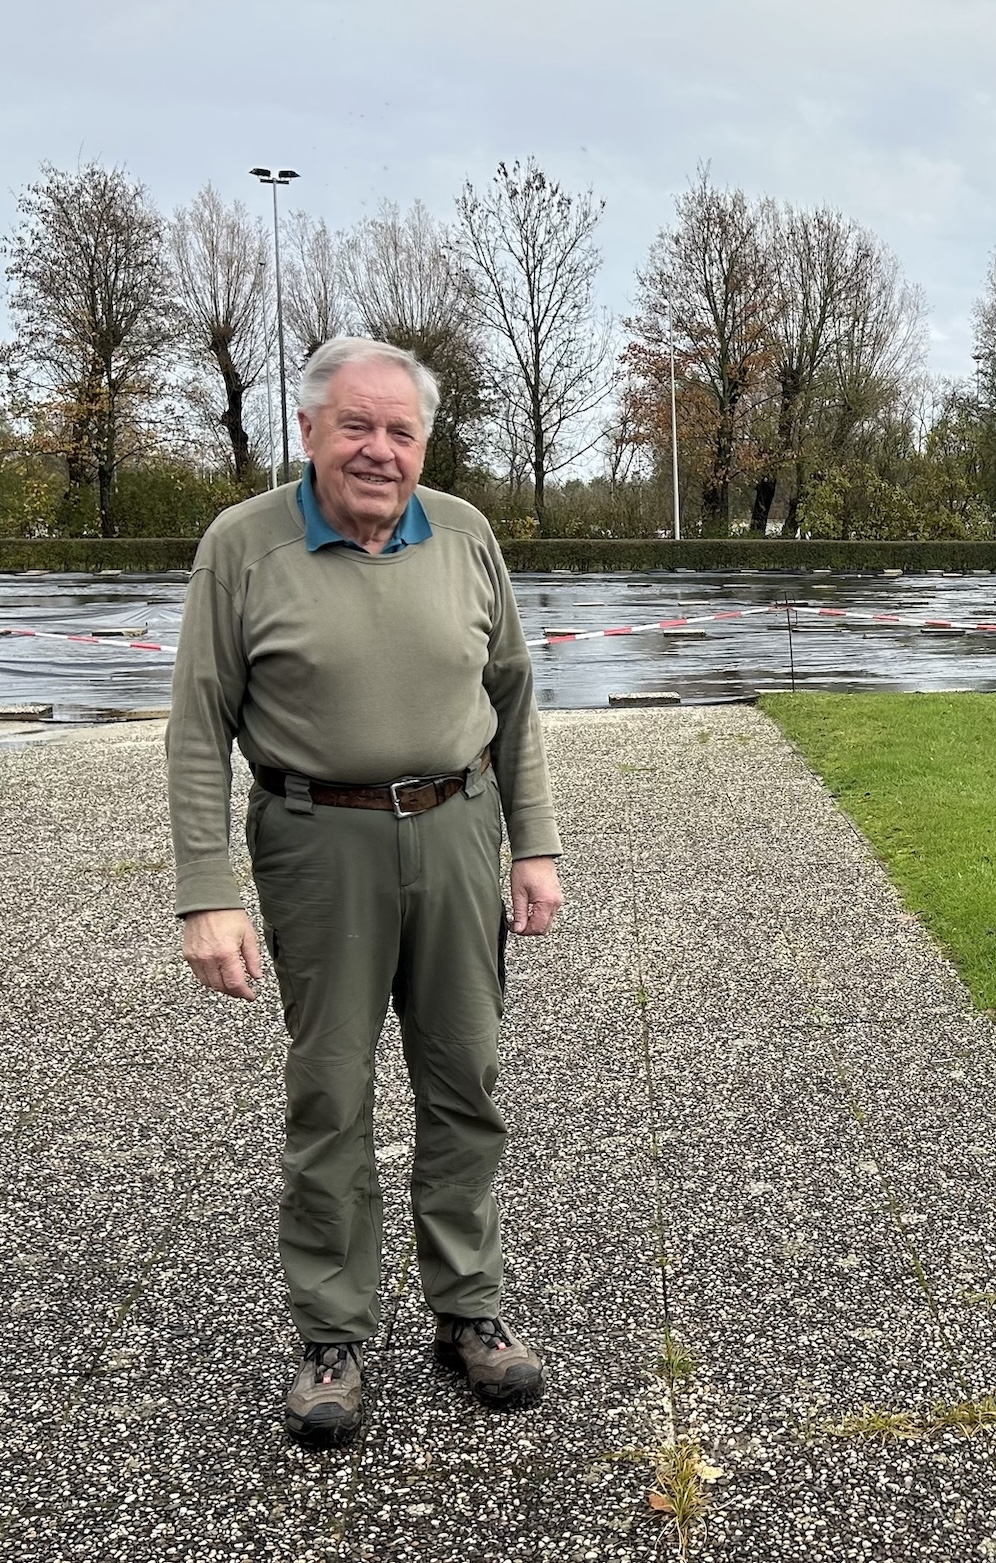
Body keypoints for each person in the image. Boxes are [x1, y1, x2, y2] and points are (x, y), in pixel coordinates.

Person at [166, 336, 565, 1448]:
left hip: (458, 829)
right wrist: (208, 891)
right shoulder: (244, 547)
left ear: (423, 442)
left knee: (466, 1080)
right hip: (316, 842)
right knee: (330, 1094)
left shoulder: (467, 535)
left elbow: (516, 699)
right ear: (309, 431)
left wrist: (534, 845)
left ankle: (469, 1310)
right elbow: (199, 726)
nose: (379, 450)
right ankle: (334, 1334)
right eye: (357, 426)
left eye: (400, 430)